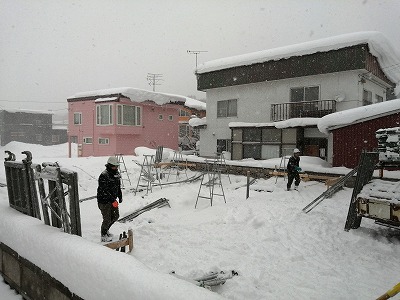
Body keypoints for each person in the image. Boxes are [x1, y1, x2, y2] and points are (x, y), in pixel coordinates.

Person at [97, 156, 123, 242]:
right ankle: (103, 235)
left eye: (117, 166)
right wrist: (112, 200)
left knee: (115, 216)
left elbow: (118, 186)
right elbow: (104, 190)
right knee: (107, 219)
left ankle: (106, 230)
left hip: (112, 200)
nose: (116, 168)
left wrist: (120, 195)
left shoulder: (116, 174)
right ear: (109, 165)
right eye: (114, 166)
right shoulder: (104, 175)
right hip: (104, 201)